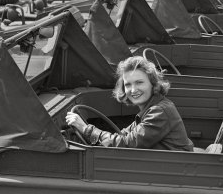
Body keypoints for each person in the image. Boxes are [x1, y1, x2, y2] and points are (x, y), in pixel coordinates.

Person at [65, 55, 194, 151]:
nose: (133, 90)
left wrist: (85, 129)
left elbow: (126, 144)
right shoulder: (150, 109)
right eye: (128, 85)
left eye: (139, 82)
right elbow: (123, 135)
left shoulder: (159, 111)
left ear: (153, 84)